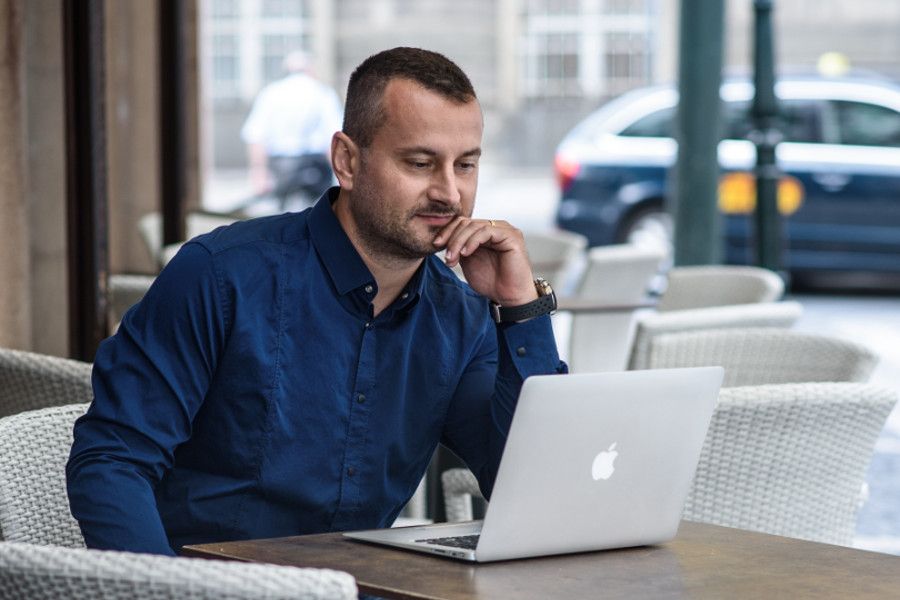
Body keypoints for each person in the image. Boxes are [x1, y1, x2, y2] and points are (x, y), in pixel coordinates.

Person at [66, 47, 566, 556]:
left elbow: (530, 487)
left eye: (465, 165)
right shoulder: (221, 276)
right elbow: (113, 462)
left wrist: (520, 307)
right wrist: (164, 591)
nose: (449, 193)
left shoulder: (462, 316)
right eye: (419, 163)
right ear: (347, 161)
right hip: (214, 588)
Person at [240, 50, 343, 211]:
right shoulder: (322, 93)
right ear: (310, 69)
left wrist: (259, 172)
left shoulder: (270, 93)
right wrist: (340, 176)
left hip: (281, 167)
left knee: (280, 218)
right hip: (315, 167)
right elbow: (333, 138)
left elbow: (255, 136)